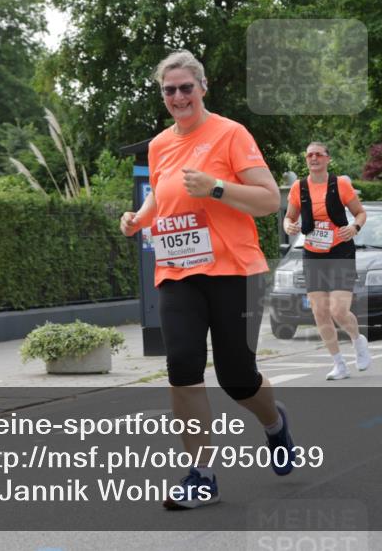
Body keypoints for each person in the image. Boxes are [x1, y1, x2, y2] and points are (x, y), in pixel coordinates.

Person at [119, 51, 292, 510]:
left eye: (185, 88)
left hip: (234, 270)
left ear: (202, 87)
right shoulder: (159, 145)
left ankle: (274, 423)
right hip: (177, 271)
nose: (178, 97)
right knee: (182, 365)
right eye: (169, 90)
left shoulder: (230, 133)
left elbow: (269, 200)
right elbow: (162, 190)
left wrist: (216, 187)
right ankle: (202, 474)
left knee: (237, 378)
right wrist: (139, 218)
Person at [284, 142, 370, 380]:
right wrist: (288, 225)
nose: (314, 158)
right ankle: (338, 363)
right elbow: (289, 217)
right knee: (320, 311)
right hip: (313, 253)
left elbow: (360, 213)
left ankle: (357, 340)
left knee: (339, 310)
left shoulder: (340, 184)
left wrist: (354, 227)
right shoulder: (298, 187)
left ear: (327, 159)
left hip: (340, 251)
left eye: (318, 155)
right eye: (310, 155)